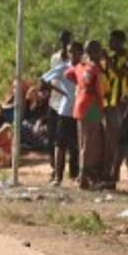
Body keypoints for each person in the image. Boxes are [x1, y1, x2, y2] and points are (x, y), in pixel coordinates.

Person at [66, 39, 108, 190]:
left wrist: (80, 86)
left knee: (83, 140)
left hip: (80, 104)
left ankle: (84, 175)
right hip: (92, 106)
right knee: (90, 142)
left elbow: (68, 74)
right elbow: (99, 89)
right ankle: (83, 177)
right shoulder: (95, 68)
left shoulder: (80, 66)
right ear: (94, 52)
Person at [42, 40, 83, 186]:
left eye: (76, 51)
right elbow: (44, 79)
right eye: (71, 51)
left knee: (79, 145)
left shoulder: (84, 68)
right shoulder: (63, 67)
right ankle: (58, 177)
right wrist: (61, 92)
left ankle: (78, 175)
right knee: (60, 144)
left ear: (81, 53)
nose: (73, 54)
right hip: (65, 110)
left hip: (81, 110)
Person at [103, 29, 128, 185]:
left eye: (113, 40)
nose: (110, 43)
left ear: (120, 41)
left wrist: (107, 61)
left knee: (126, 137)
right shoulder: (111, 58)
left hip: (122, 103)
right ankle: (111, 170)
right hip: (109, 103)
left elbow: (122, 74)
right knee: (113, 138)